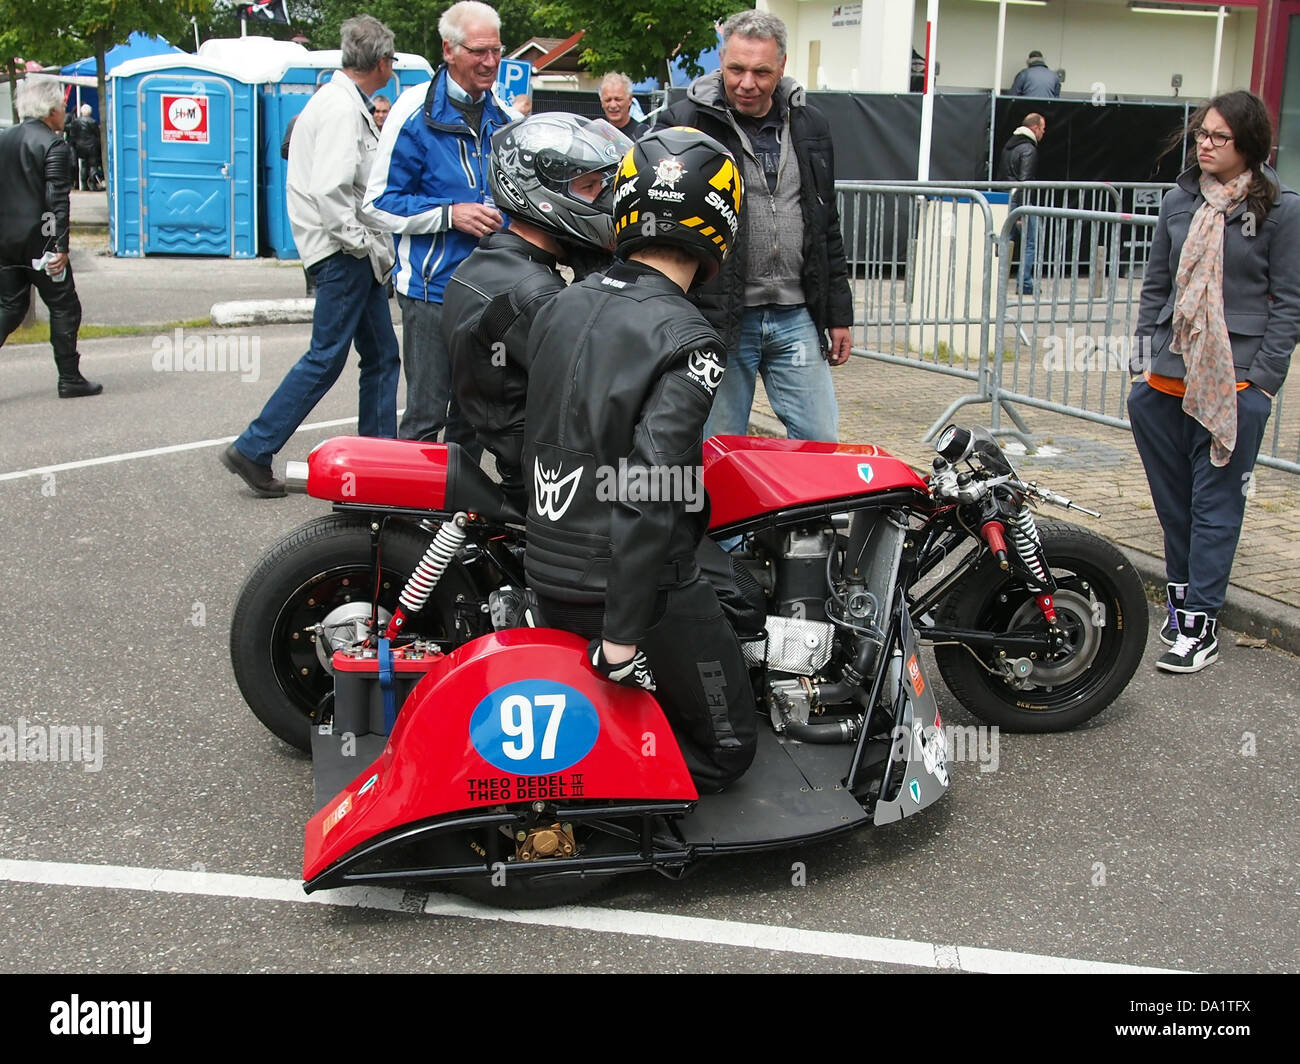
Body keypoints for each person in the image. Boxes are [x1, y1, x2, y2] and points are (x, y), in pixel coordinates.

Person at [522, 127, 758, 793]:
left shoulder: (560, 303)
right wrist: (623, 638)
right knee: (731, 749)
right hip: (629, 594)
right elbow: (651, 489)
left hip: (548, 573)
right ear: (720, 225)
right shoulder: (691, 340)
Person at [1129, 90, 1300, 673]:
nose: (1204, 143)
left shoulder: (1281, 208)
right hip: (1164, 384)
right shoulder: (1178, 201)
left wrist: (1265, 384)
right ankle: (1182, 611)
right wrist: (1141, 359)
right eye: (1201, 133)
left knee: (1216, 508)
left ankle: (1200, 627)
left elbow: (1288, 304)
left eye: (1218, 137)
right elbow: (1157, 285)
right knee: (1175, 507)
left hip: (1234, 387)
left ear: (1248, 144)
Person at [221, 15, 400, 497]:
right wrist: (360, 245)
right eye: (392, 60)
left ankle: (378, 458)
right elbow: (331, 189)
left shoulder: (336, 101)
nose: (393, 68)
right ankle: (255, 446)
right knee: (328, 357)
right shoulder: (343, 109)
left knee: (382, 355)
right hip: (344, 253)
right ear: (381, 62)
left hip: (344, 252)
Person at [656, 9, 853, 443]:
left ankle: (809, 515)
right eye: (736, 69)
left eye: (761, 72)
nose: (747, 83)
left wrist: (839, 314)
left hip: (796, 315)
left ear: (781, 67)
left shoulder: (811, 125)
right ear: (721, 61)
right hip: (719, 316)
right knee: (719, 448)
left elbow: (825, 223)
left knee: (821, 441)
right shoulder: (683, 123)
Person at [442, 113, 630, 511]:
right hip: (555, 483)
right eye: (590, 186)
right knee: (687, 497)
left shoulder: (490, 263)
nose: (602, 198)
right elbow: (610, 382)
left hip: (527, 463)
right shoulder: (535, 293)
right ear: (542, 190)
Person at [363, 0, 513, 450]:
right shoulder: (412, 112)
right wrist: (452, 214)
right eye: (478, 52)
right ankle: (408, 520)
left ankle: (456, 519)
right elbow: (376, 205)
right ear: (448, 50)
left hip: (488, 292)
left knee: (473, 417)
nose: (490, 62)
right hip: (430, 292)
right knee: (426, 415)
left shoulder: (504, 116)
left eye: (496, 51)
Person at [0, 75, 101, 398]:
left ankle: (71, 377)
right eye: (61, 104)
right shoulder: (53, 145)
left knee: (10, 308)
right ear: (50, 109)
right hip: (40, 242)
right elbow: (57, 199)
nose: (64, 110)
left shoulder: (5, 138)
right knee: (64, 306)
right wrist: (60, 246)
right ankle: (69, 377)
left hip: (5, 241)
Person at [996, 112, 1046, 295]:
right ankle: (1024, 283)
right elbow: (1025, 181)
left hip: (1005, 201)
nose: (1043, 132)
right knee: (1030, 243)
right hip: (1020, 203)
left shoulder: (1009, 146)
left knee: (1004, 241)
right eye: (1042, 128)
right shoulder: (1029, 149)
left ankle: (998, 281)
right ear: (1034, 128)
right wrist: (1022, 212)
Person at [598, 73, 646, 140]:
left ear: (629, 100)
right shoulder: (596, 135)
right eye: (608, 100)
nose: (613, 105)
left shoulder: (644, 134)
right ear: (602, 103)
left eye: (618, 99)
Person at [65, 104, 101, 191]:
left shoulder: (75, 122)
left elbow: (72, 134)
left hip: (80, 147)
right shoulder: (93, 122)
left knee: (84, 165)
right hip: (92, 147)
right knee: (93, 165)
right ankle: (93, 184)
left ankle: (83, 185)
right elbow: (97, 134)